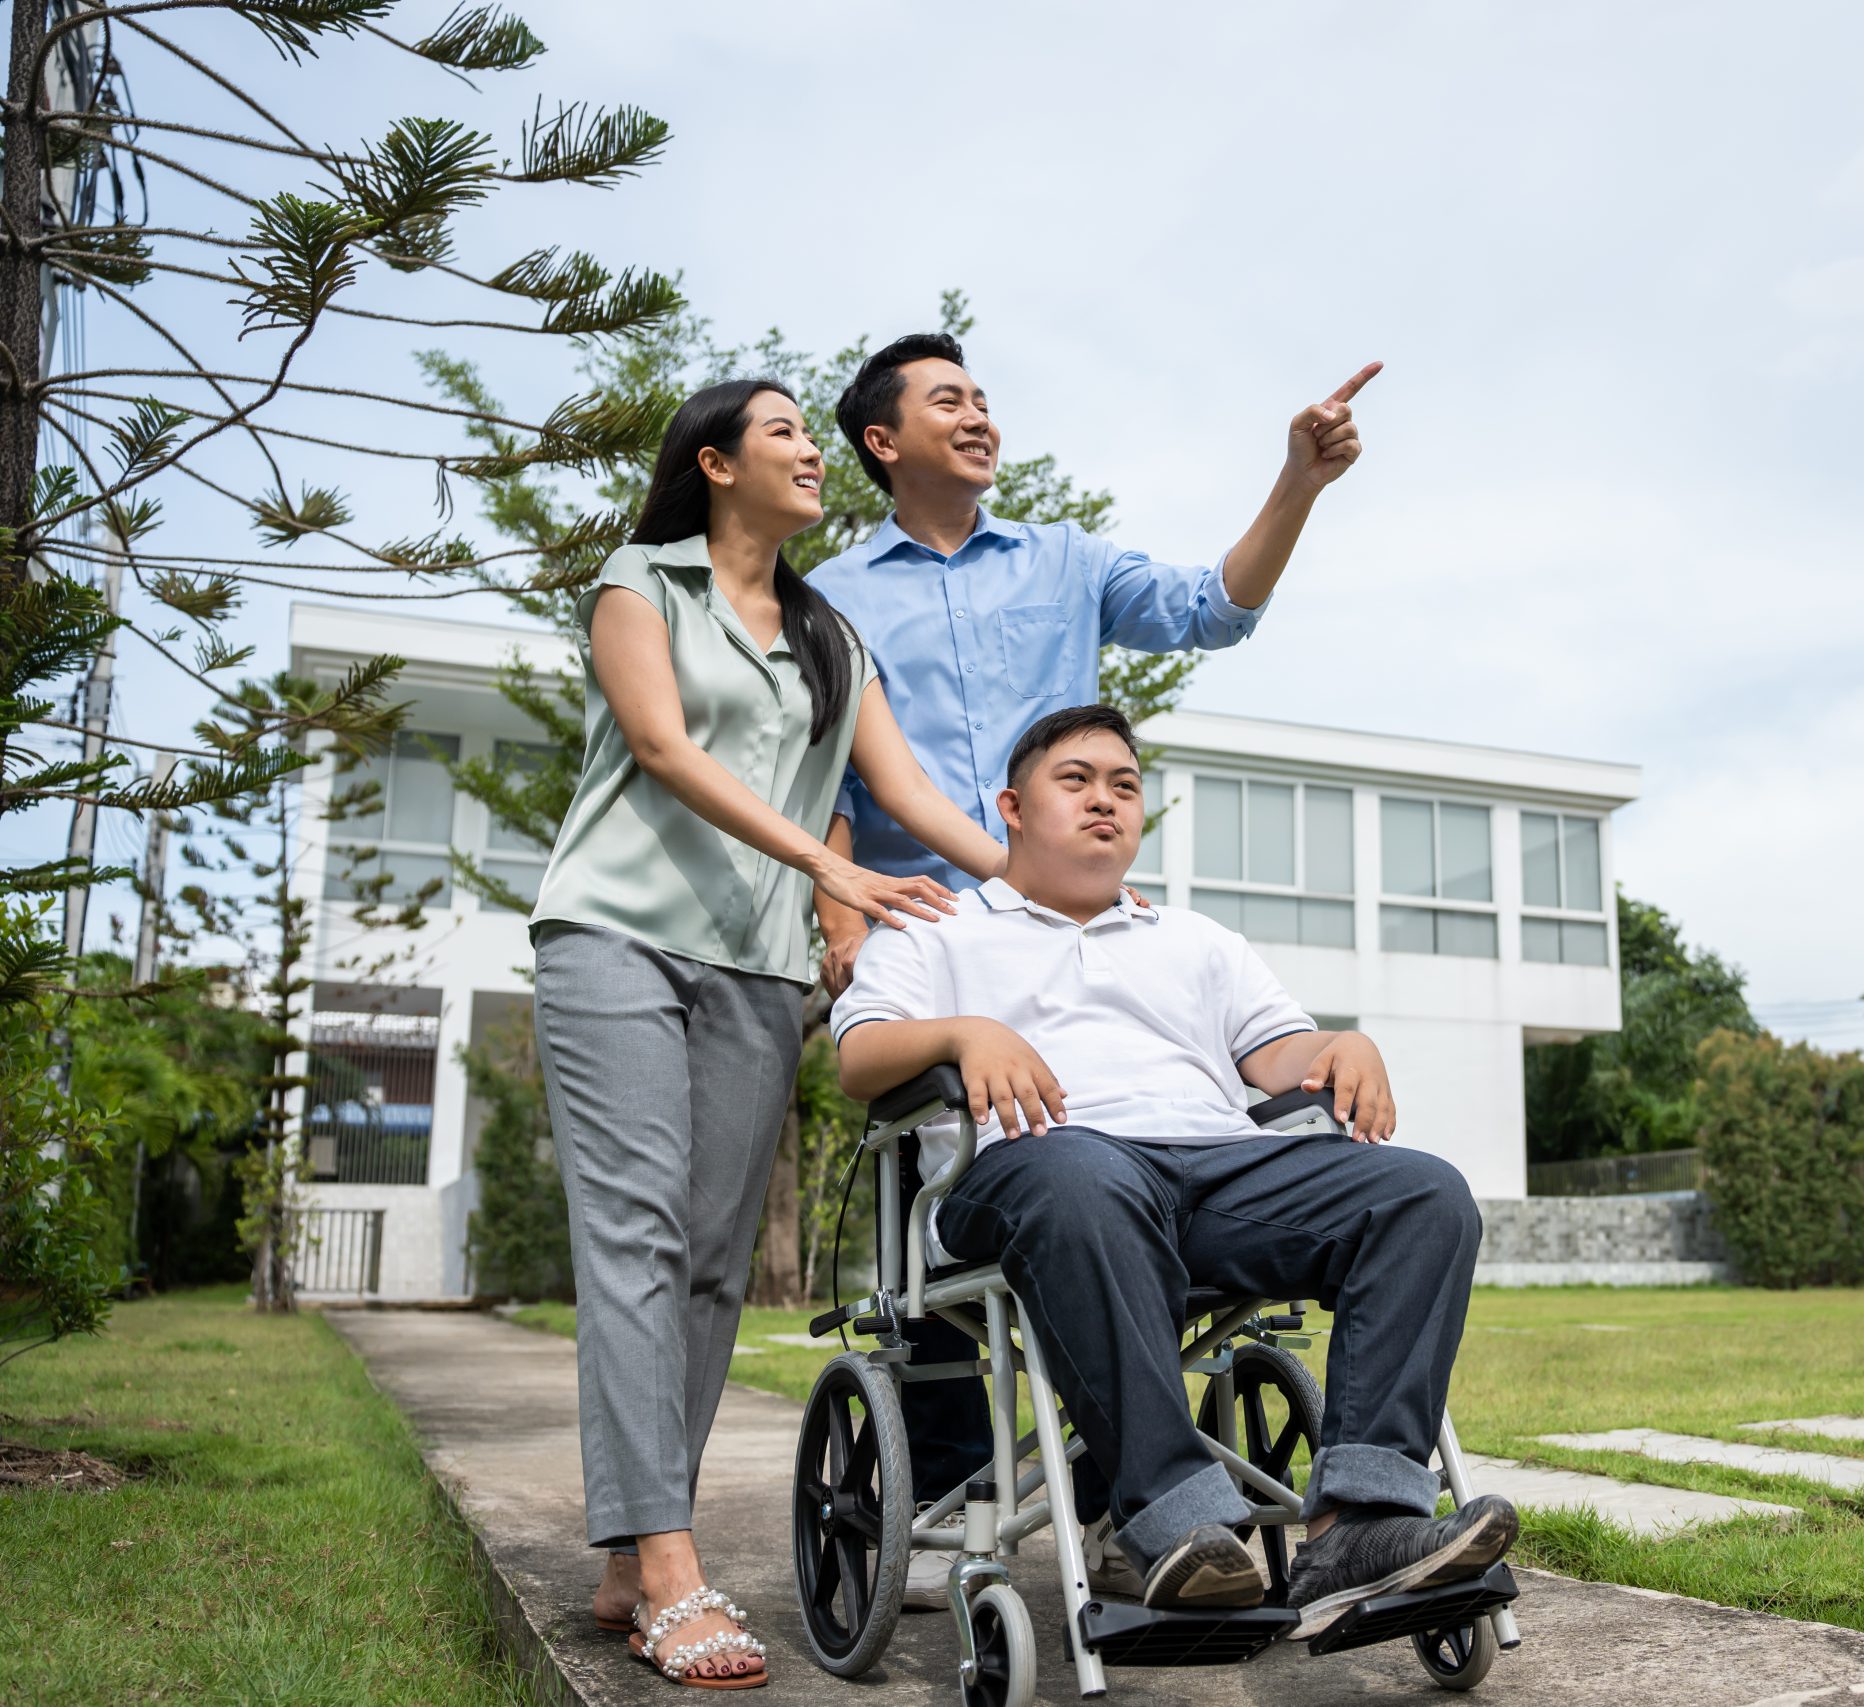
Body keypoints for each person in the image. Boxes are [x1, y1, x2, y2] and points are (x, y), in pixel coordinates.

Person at [803, 331, 1379, 1599]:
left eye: (986, 399)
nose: (980, 416)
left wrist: (1300, 482)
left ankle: (1162, 1494)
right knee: (950, 1277)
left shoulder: (1063, 560)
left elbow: (1212, 608)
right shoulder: (831, 594)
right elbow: (832, 769)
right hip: (930, 936)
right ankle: (963, 1499)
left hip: (1070, 913)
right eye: (948, 400)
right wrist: (844, 914)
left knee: (1124, 1167)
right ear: (882, 442)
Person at [529, 377, 1017, 1689]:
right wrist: (831, 867)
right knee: (634, 1238)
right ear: (718, 461)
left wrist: (1045, 883)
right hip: (616, 939)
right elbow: (663, 744)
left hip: (750, 968)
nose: (812, 451)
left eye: (813, 433)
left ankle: (634, 1551)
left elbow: (910, 789)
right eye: (788, 431)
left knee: (706, 1265)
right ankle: (673, 1565)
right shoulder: (647, 581)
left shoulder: (829, 634)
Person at [831, 705, 1516, 1634]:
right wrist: (965, 1031)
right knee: (1082, 1178)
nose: (1104, 800)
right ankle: (1171, 1525)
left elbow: (1281, 1058)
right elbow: (860, 1056)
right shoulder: (939, 929)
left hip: (1215, 1170)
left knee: (1423, 1192)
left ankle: (1361, 1522)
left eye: (1123, 784)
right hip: (1040, 1170)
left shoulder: (1196, 941)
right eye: (1075, 780)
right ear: (1012, 807)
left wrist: (1341, 1043)